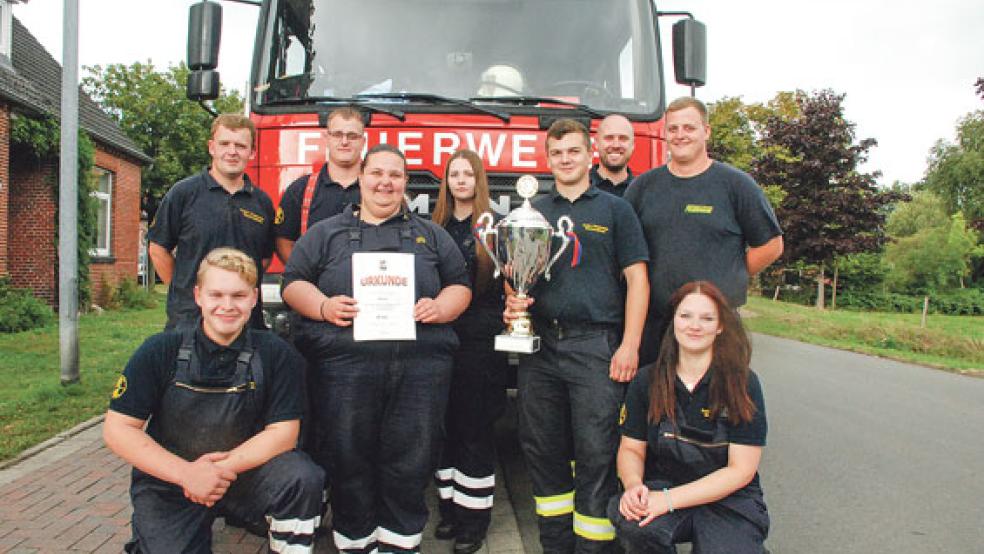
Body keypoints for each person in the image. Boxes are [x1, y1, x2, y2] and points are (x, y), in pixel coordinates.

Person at [282, 144, 472, 553]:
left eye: (395, 175)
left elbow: (461, 285)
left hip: (421, 372)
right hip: (344, 370)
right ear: (362, 178)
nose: (386, 182)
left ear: (405, 183)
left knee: (411, 459)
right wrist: (323, 305)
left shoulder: (431, 234)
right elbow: (293, 281)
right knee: (348, 459)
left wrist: (441, 307)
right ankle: (356, 542)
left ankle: (401, 543)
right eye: (378, 173)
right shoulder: (325, 233)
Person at [103, 247, 324, 553]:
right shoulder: (160, 350)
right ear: (198, 296)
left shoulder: (276, 353)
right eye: (216, 295)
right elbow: (118, 429)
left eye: (238, 296)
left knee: (303, 477)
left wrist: (216, 473)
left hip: (245, 473)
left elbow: (284, 434)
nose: (227, 305)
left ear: (254, 298)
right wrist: (187, 474)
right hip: (172, 479)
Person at [505, 118, 650, 553]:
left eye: (573, 151)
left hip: (597, 349)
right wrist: (512, 300)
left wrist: (629, 345)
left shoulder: (616, 210)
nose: (565, 159)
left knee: (596, 453)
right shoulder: (532, 212)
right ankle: (555, 546)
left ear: (591, 154)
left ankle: (593, 548)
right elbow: (515, 276)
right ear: (547, 160)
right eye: (557, 153)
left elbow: (638, 281)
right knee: (542, 452)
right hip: (541, 350)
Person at [607, 281, 769, 553]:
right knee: (634, 525)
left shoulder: (742, 383)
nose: (695, 325)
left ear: (720, 326)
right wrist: (634, 485)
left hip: (728, 500)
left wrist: (668, 500)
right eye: (685, 316)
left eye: (707, 318)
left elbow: (741, 470)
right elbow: (631, 449)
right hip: (664, 486)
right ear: (673, 321)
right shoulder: (647, 380)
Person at [623, 97, 784, 365]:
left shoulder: (736, 186)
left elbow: (771, 245)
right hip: (656, 326)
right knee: (654, 403)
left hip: (715, 326)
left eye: (689, 128)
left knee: (718, 403)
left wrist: (730, 276)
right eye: (673, 129)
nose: (680, 135)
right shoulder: (642, 188)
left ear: (706, 131)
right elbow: (626, 252)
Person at [430, 150, 508, 554]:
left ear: (479, 181)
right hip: (440, 341)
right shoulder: (433, 226)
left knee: (473, 431)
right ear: (446, 181)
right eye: (454, 174)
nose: (461, 181)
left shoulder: (497, 226)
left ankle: (474, 522)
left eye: (468, 174)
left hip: (481, 341)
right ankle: (450, 511)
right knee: (443, 428)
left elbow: (514, 284)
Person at [148, 114, 275, 331]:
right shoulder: (183, 194)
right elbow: (158, 249)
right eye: (224, 143)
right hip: (190, 322)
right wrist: (186, 292)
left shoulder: (262, 202)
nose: (232, 151)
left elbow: (263, 259)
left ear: (252, 152)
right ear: (211, 147)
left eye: (241, 146)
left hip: (245, 323)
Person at [274, 106, 366, 263]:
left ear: (363, 141)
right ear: (326, 138)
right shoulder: (300, 190)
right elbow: (283, 242)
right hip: (313, 286)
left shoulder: (379, 190)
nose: (344, 142)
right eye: (337, 135)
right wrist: (303, 276)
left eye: (352, 136)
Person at [590, 114, 635, 198]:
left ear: (632, 144)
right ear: (596, 142)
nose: (616, 145)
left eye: (623, 138)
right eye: (609, 138)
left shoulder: (643, 192)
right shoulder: (578, 188)